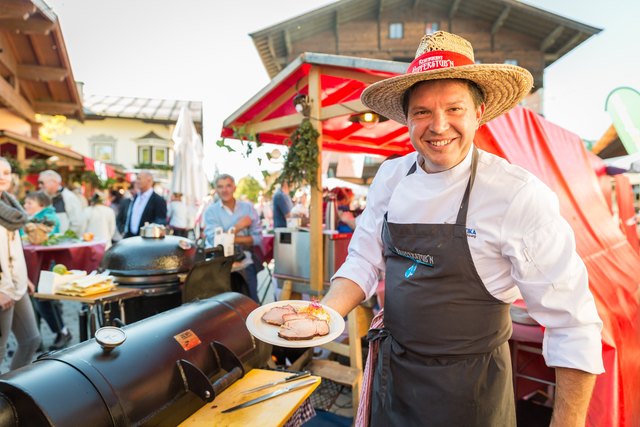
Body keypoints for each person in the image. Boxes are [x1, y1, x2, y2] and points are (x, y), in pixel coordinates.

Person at [321, 31, 603, 426]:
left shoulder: (516, 195)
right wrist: (321, 315)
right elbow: (364, 260)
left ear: (479, 112)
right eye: (422, 112)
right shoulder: (390, 177)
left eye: (454, 109)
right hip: (395, 381)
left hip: (472, 394)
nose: (438, 126)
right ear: (407, 118)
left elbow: (573, 324)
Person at [0, 157, 41, 371]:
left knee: (31, 340)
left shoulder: (9, 206)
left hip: (16, 284)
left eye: (6, 172)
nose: (2, 177)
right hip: (1, 289)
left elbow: (12, 247)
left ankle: (10, 394)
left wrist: (22, 276)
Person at [203, 174, 262, 303]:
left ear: (234, 188)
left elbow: (257, 238)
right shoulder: (210, 212)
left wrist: (227, 237)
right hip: (220, 266)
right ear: (216, 190)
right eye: (220, 186)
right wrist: (238, 227)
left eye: (228, 186)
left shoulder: (248, 208)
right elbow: (215, 241)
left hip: (245, 262)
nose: (225, 190)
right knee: (223, 308)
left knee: (251, 303)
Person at [38, 170, 84, 235]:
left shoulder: (68, 197)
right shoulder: (42, 197)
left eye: (42, 183)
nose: (39, 186)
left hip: (64, 242)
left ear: (54, 182)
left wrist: (66, 238)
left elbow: (77, 223)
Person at [123, 171, 167, 238]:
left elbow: (160, 222)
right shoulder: (136, 196)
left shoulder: (158, 200)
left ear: (149, 180)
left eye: (139, 179)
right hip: (131, 237)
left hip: (147, 241)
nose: (136, 181)